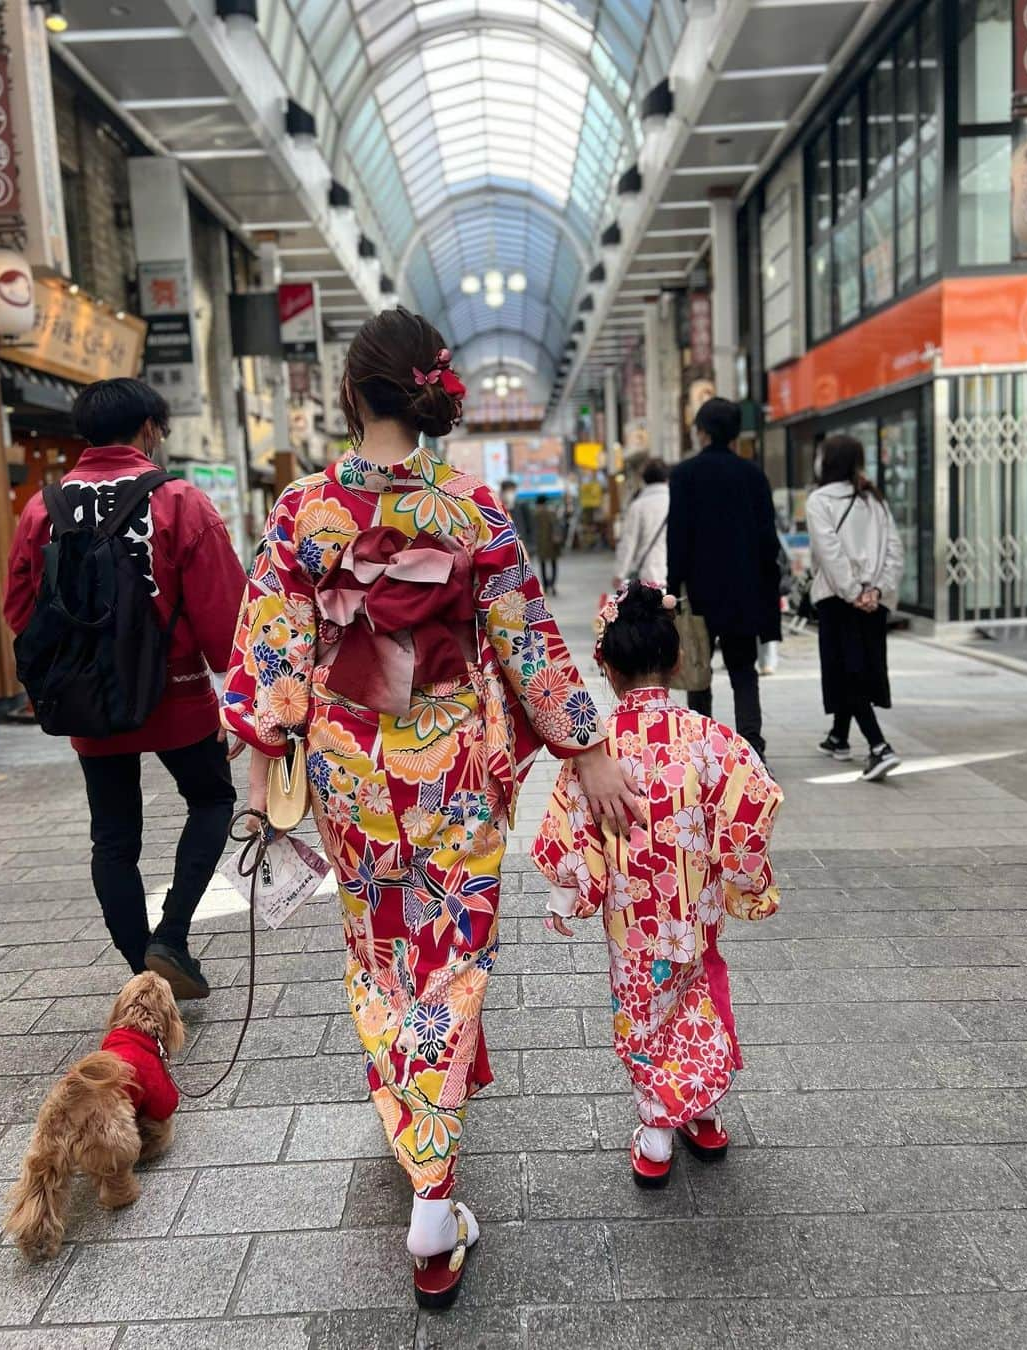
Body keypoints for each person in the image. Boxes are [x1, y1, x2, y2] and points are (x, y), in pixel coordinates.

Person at [221, 307, 639, 1308]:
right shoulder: (474, 511)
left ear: (355, 394)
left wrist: (261, 776)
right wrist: (587, 747)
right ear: (428, 392)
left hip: (347, 764)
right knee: (451, 959)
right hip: (451, 760)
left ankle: (415, 1139)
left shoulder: (302, 514)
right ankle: (431, 1195)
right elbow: (528, 641)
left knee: (379, 956)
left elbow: (272, 654)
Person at [531, 582, 782, 1186]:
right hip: (693, 913)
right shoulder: (713, 740)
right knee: (698, 998)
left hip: (631, 921)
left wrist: (568, 894)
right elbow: (752, 808)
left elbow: (571, 830)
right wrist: (742, 880)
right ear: (676, 661)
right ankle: (704, 1113)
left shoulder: (596, 754)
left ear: (606, 667)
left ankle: (656, 1134)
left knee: (644, 1011)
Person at [4, 378, 246, 999]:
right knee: (211, 798)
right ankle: (171, 936)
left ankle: (143, 972)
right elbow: (227, 619)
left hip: (89, 698)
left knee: (113, 836)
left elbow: (19, 609)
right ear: (148, 429)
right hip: (177, 694)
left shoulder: (43, 508)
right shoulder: (179, 502)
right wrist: (242, 698)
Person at [667, 398, 780, 763]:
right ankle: (753, 748)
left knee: (698, 670)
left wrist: (674, 589)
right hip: (746, 590)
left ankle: (703, 751)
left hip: (701, 592)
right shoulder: (753, 475)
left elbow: (679, 538)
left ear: (702, 431)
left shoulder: (685, 475)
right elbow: (768, 540)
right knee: (744, 670)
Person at [808, 434, 904, 782]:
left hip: (840, 600)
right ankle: (839, 737)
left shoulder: (819, 500)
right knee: (859, 665)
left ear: (827, 461)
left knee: (848, 673)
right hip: (872, 602)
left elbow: (829, 551)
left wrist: (852, 591)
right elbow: (895, 548)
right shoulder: (873, 498)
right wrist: (876, 590)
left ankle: (879, 746)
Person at [613, 457, 669, 587]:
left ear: (644, 480)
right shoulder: (678, 502)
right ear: (667, 479)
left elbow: (628, 541)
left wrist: (619, 573)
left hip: (648, 574)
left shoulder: (638, 506)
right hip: (674, 573)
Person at [533, 494, 561, 595]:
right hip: (551, 543)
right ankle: (552, 585)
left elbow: (533, 531)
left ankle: (546, 586)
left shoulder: (536, 515)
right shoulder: (551, 513)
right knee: (552, 564)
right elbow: (557, 526)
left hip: (543, 543)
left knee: (544, 565)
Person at [499, 478, 533, 553]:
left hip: (521, 545)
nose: (510, 493)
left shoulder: (522, 507)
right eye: (507, 491)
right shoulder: (498, 508)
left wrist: (531, 545)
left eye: (512, 491)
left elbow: (529, 526)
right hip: (506, 548)